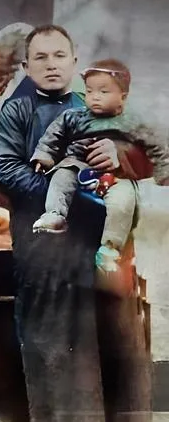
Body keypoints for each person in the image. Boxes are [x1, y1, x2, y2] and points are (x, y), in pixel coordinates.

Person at [0, 25, 152, 421]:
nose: (51, 64)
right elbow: (7, 172)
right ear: (26, 67)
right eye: (41, 57)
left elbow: (141, 157)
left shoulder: (95, 107)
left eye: (59, 55)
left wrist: (118, 156)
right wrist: (72, 192)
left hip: (94, 250)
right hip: (45, 253)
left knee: (110, 353)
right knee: (55, 354)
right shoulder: (17, 110)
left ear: (74, 61)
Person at [31, 58, 169, 285]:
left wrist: (164, 172)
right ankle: (54, 214)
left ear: (123, 96)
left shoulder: (133, 122)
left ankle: (110, 248)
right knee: (61, 176)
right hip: (78, 163)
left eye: (103, 91)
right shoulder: (74, 116)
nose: (94, 97)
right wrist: (44, 156)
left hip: (116, 175)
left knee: (124, 200)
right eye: (89, 91)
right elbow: (54, 135)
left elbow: (156, 145)